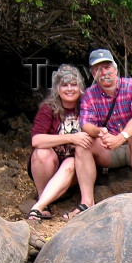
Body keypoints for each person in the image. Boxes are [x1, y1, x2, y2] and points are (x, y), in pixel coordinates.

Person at [64, 48, 132, 219]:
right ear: (93, 73)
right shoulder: (89, 95)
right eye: (98, 69)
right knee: (82, 142)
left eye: (107, 67)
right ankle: (86, 202)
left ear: (115, 68)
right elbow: (86, 124)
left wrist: (120, 138)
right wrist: (99, 132)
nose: (104, 72)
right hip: (109, 148)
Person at [26, 64, 92, 222]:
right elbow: (36, 140)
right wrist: (70, 138)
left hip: (75, 169)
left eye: (74, 84)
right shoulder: (48, 109)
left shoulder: (86, 107)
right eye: (64, 85)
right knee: (41, 152)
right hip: (50, 167)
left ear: (80, 87)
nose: (70, 89)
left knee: (70, 162)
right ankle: (44, 200)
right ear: (57, 89)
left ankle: (38, 207)